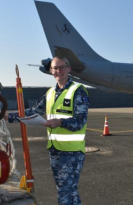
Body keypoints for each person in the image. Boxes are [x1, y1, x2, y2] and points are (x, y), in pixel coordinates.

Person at [7, 56, 89, 205]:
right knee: (66, 190)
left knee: (65, 193)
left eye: (62, 67)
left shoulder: (78, 91)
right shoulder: (50, 93)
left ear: (69, 68)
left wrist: (60, 122)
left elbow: (80, 120)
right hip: (55, 150)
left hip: (72, 153)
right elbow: (33, 111)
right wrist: (10, 116)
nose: (59, 71)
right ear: (51, 71)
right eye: (55, 68)